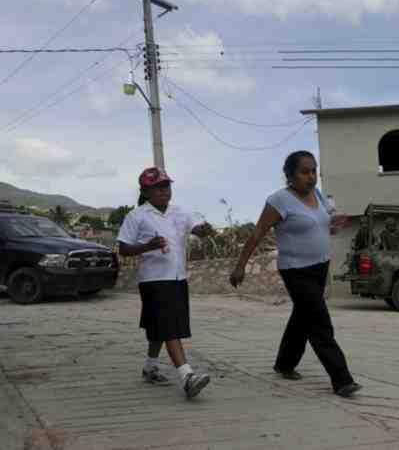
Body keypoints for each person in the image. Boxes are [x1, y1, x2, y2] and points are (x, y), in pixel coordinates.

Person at [229, 151, 362, 398]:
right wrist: (240, 266)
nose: (311, 177)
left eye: (313, 170)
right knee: (319, 320)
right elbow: (258, 233)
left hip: (320, 266)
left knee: (303, 317)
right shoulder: (279, 200)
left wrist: (334, 224)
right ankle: (342, 379)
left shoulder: (317, 195)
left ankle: (285, 363)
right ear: (290, 175)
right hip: (295, 270)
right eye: (304, 172)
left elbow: (321, 226)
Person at [118, 167, 215, 399]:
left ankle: (150, 366)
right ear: (145, 191)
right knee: (170, 326)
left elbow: (198, 230)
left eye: (166, 186)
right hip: (153, 280)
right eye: (158, 187)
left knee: (159, 326)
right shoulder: (137, 216)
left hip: (178, 278)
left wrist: (205, 230)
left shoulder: (180, 212)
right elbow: (123, 248)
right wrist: (147, 246)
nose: (164, 191)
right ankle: (187, 376)